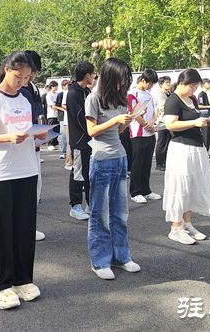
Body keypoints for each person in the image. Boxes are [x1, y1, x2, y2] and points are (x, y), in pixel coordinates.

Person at [0, 51, 48, 309]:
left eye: (27, 77)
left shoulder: (26, 96)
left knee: (25, 228)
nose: (22, 82)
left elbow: (28, 128)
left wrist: (39, 135)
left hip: (27, 168)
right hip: (1, 172)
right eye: (19, 76)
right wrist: (7, 137)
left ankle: (22, 280)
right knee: (2, 230)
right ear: (7, 69)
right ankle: (0, 286)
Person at [85, 57, 140, 280]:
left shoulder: (120, 98)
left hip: (120, 157)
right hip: (102, 159)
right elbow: (92, 131)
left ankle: (121, 257)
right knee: (100, 213)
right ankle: (99, 261)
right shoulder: (93, 98)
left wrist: (126, 121)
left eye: (126, 79)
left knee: (120, 212)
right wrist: (116, 119)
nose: (123, 83)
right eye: (121, 79)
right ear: (110, 77)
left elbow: (116, 132)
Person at [163, 69, 210, 244]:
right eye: (192, 86)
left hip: (196, 147)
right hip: (181, 148)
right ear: (181, 83)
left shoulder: (192, 99)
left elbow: (195, 119)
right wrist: (194, 122)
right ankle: (175, 227)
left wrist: (208, 122)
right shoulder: (173, 100)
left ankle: (187, 224)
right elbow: (170, 124)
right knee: (179, 188)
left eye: (196, 87)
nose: (194, 90)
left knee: (191, 187)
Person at [23, 50, 47, 241]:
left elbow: (38, 113)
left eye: (34, 72)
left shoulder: (33, 88)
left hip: (34, 144)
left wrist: (42, 132)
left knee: (35, 186)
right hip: (17, 145)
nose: (31, 75)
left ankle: (29, 226)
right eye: (29, 71)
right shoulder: (7, 89)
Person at [66, 62, 95, 220]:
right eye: (93, 74)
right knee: (78, 173)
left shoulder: (86, 91)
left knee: (89, 173)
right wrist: (93, 130)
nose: (94, 77)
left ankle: (90, 203)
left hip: (89, 139)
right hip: (79, 140)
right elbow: (79, 118)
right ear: (87, 75)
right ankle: (75, 205)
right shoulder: (73, 93)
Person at [128, 69, 161, 204]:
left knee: (147, 163)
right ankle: (135, 192)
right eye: (150, 83)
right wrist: (145, 125)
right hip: (138, 133)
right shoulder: (132, 93)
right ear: (143, 80)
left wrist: (152, 123)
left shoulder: (149, 94)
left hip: (150, 133)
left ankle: (146, 190)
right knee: (137, 164)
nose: (151, 86)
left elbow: (153, 111)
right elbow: (133, 113)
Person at [154, 76, 172, 170]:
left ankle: (166, 162)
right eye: (166, 82)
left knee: (168, 141)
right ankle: (159, 163)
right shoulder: (160, 95)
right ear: (161, 85)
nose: (169, 84)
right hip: (162, 121)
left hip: (170, 120)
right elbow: (163, 108)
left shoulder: (170, 94)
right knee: (162, 141)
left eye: (169, 82)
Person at [197, 78, 210, 153]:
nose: (209, 84)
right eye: (207, 83)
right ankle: (204, 151)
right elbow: (200, 105)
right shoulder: (201, 94)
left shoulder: (209, 93)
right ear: (203, 85)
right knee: (205, 134)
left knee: (209, 135)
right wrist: (209, 106)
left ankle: (207, 150)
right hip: (205, 116)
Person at [54, 79, 70, 161]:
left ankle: (68, 152)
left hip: (69, 117)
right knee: (64, 135)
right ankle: (63, 152)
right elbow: (56, 105)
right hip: (62, 116)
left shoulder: (70, 93)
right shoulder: (60, 94)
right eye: (67, 85)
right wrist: (64, 109)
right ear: (63, 86)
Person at [45, 81, 59, 149]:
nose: (57, 87)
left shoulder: (57, 94)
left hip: (57, 115)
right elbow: (51, 105)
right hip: (51, 115)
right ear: (52, 87)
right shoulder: (49, 95)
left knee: (57, 129)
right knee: (51, 129)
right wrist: (56, 110)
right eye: (56, 86)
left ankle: (55, 143)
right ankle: (50, 143)